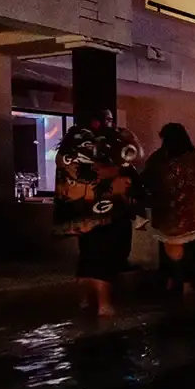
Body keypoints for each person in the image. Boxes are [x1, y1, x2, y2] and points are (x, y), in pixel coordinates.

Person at [53, 108, 142, 316]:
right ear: (96, 122)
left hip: (80, 212)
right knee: (103, 258)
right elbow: (126, 159)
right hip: (103, 212)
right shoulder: (96, 143)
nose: (112, 124)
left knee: (88, 256)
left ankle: (85, 301)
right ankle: (104, 305)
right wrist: (129, 141)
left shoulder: (69, 144)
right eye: (109, 120)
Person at [142, 123, 195, 295]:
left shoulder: (156, 159)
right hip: (193, 216)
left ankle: (170, 279)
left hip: (166, 215)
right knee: (192, 249)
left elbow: (147, 182)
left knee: (168, 248)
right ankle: (188, 284)